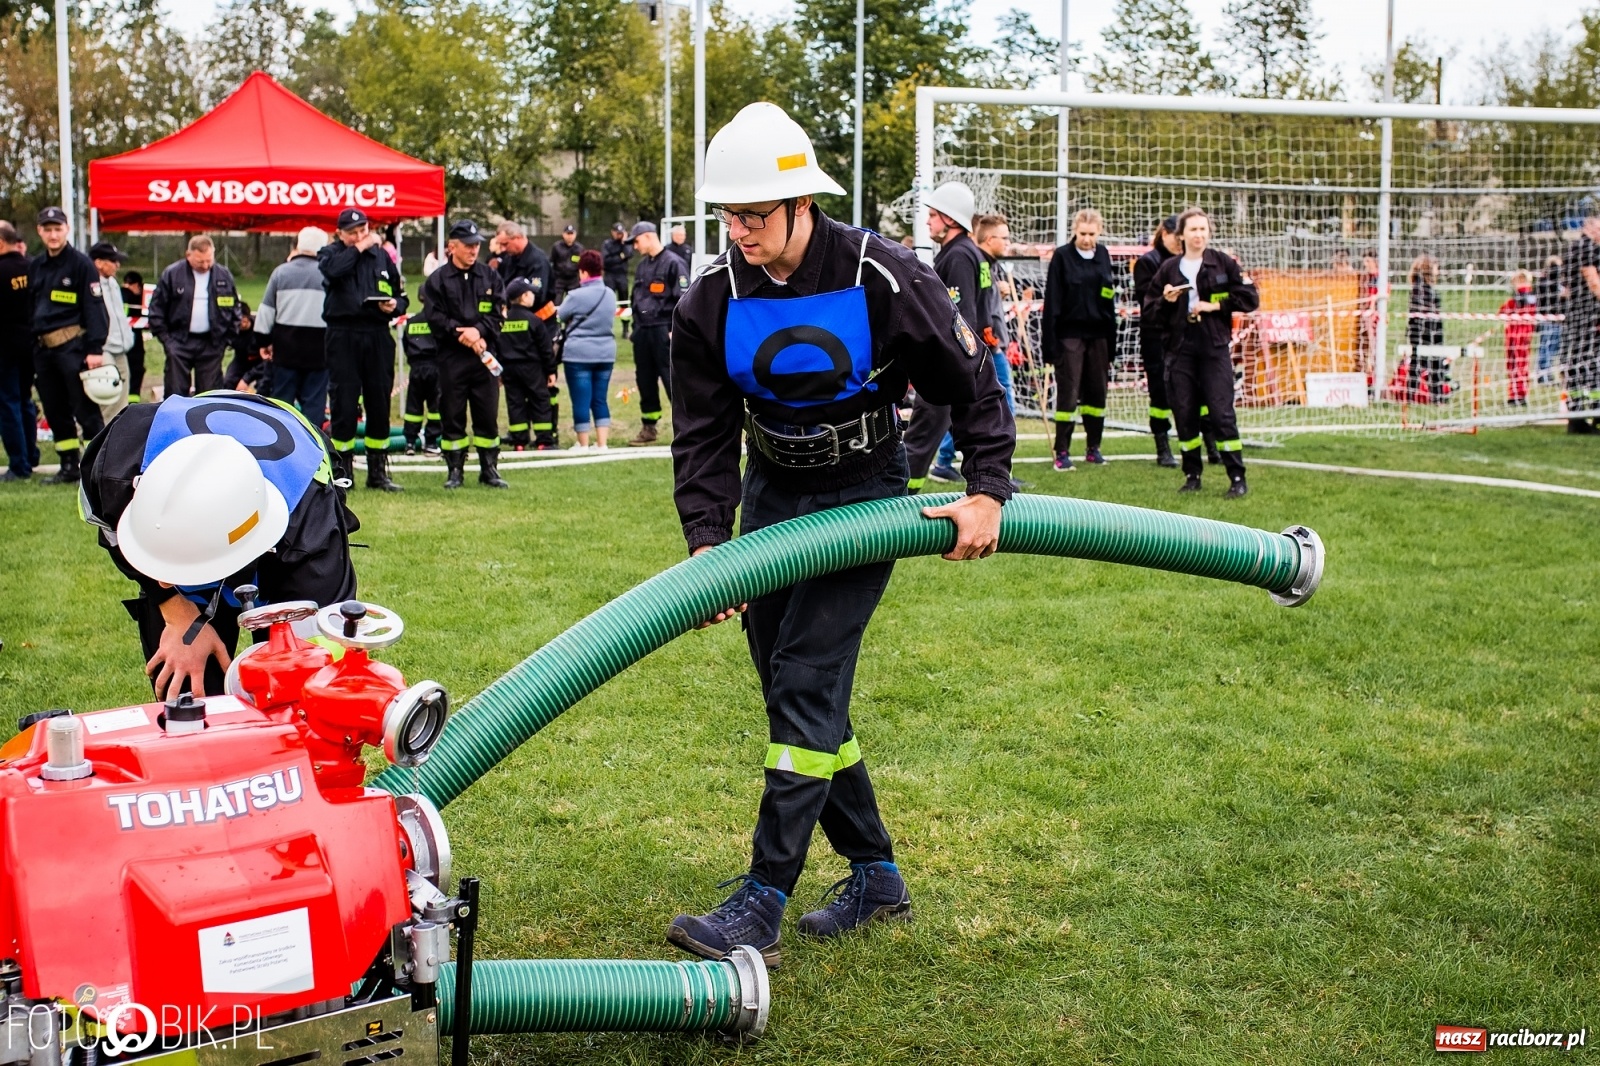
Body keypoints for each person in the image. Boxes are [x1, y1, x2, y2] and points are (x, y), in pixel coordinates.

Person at [665, 102, 1014, 964]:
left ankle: (763, 900)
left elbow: (970, 380)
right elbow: (702, 430)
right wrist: (710, 542)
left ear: (801, 204)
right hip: (771, 495)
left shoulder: (881, 274)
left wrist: (987, 490)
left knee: (807, 679)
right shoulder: (711, 297)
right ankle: (875, 873)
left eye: (755, 215)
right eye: (729, 216)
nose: (740, 231)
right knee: (796, 695)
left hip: (865, 494)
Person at [80, 391, 358, 699]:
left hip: (292, 500)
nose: (162, 578)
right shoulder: (114, 470)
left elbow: (326, 672)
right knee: (188, 698)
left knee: (298, 687)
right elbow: (114, 534)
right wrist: (175, 609)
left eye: (180, 564)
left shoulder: (312, 538)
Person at [1143, 208, 1258, 497]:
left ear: (1209, 233)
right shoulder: (1169, 269)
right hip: (1180, 350)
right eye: (1192, 230)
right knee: (1184, 413)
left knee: (1221, 413)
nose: (1198, 235)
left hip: (1214, 349)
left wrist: (1215, 306)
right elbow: (1149, 311)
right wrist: (1167, 301)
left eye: (1203, 229)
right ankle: (1192, 474)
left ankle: (1236, 476)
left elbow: (1250, 298)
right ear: (1181, 235)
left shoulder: (1223, 264)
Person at [903, 180, 987, 490]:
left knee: (922, 435)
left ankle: (902, 498)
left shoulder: (958, 256)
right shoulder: (966, 253)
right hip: (961, 362)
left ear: (950, 219)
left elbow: (956, 317)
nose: (927, 221)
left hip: (948, 364)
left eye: (933, 215)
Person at [319, 207, 408, 492]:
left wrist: (394, 305)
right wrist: (358, 247)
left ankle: (378, 472)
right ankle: (343, 472)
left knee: (379, 400)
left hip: (377, 333)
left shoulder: (381, 256)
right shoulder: (331, 253)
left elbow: (401, 295)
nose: (361, 236)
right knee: (344, 402)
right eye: (353, 233)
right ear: (340, 234)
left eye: (364, 231)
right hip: (344, 335)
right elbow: (334, 271)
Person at [928, 212, 1018, 485]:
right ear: (989, 239)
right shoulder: (969, 259)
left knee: (965, 407)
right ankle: (995, 470)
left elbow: (984, 300)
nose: (1007, 243)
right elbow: (971, 306)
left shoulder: (982, 262)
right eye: (1004, 238)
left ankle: (946, 460)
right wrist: (985, 335)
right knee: (998, 404)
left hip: (988, 340)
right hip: (984, 344)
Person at [420, 219, 508, 489]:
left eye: (476, 245)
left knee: (487, 414)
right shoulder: (437, 280)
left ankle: (489, 468)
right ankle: (455, 469)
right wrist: (461, 334)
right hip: (451, 358)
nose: (473, 250)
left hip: (482, 356)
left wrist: (479, 332)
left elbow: (498, 312)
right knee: (452, 413)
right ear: (452, 247)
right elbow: (434, 318)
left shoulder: (490, 276)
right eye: (468, 246)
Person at [28, 206, 108, 484]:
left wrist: (95, 349)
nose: (52, 234)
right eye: (47, 229)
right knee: (54, 408)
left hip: (73, 348)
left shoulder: (81, 264)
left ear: (67, 230)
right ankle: (68, 466)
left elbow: (94, 307)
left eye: (57, 229)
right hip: (44, 351)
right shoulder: (36, 266)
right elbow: (31, 308)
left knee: (84, 409)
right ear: (40, 231)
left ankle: (98, 466)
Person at [1041, 208, 1117, 470]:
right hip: (1069, 336)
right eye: (1082, 234)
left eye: (1092, 234)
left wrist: (1112, 343)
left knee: (1097, 393)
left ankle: (1093, 447)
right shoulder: (1062, 256)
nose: (1087, 239)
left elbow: (1109, 300)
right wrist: (1049, 346)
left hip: (1098, 336)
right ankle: (1062, 451)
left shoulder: (1104, 255)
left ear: (1100, 231)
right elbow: (1052, 302)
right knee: (1069, 395)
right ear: (1075, 231)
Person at [147, 235, 242, 399]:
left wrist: (225, 341)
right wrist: (167, 341)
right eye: (200, 262)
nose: (205, 265)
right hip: (178, 342)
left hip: (212, 344)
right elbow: (156, 310)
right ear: (188, 255)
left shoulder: (224, 276)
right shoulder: (172, 274)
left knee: (210, 396)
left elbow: (235, 310)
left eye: (209, 260)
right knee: (175, 394)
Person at [259, 228, 331, 428]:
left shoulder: (281, 272)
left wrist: (263, 342)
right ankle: (313, 450)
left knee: (282, 405)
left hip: (285, 351)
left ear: (298, 245)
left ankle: (280, 450)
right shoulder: (328, 274)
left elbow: (266, 312)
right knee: (314, 406)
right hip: (319, 351)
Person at [625, 220, 688, 445]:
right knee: (645, 380)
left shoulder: (674, 263)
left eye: (636, 240)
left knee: (672, 380)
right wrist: (635, 329)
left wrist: (673, 331)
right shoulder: (642, 266)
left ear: (650, 236)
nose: (634, 246)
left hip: (663, 330)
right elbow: (636, 299)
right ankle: (649, 428)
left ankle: (686, 429)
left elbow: (684, 301)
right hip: (643, 331)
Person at [557, 250, 617, 451]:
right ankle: (602, 443)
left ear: (582, 272)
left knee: (581, 399)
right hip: (606, 353)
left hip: (578, 353)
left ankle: (582, 444)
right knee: (600, 398)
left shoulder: (574, 295)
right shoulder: (610, 294)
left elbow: (561, 316)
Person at [0, 220, 40, 481]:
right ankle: (31, 455)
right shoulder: (33, 267)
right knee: (25, 401)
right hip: (32, 345)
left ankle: (19, 464)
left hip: (4, 348)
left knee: (8, 403)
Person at [501, 277, 559, 449]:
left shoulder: (503, 321)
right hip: (532, 368)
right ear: (524, 297)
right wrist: (551, 371)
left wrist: (499, 372)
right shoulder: (534, 320)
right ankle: (543, 440)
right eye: (531, 293)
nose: (534, 297)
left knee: (515, 403)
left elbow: (497, 346)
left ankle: (519, 441)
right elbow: (545, 349)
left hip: (509, 369)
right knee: (540, 401)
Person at [89, 241, 136, 421]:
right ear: (99, 263)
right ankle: (103, 438)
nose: (117, 265)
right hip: (103, 349)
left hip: (120, 348)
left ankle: (118, 434)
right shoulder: (91, 284)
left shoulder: (113, 283)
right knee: (107, 395)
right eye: (113, 261)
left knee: (122, 398)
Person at [1563, 214, 1600, 432]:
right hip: (1588, 316)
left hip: (1578, 315)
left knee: (1580, 364)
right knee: (1591, 364)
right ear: (1591, 226)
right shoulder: (1587, 248)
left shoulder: (1575, 248)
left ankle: (1579, 415)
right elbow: (1593, 282)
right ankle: (1589, 414)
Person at [400, 304, 443, 455]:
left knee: (413, 406)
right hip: (435, 366)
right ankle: (431, 441)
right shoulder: (438, 320)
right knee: (436, 406)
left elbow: (405, 343)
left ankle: (410, 442)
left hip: (416, 368)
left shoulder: (412, 321)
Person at [1405, 254, 1446, 404]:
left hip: (1427, 330)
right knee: (1427, 364)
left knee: (1423, 364)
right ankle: (1434, 397)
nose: (1438, 270)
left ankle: (1432, 397)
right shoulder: (1421, 288)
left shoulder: (1423, 286)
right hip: (1426, 332)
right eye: (1436, 267)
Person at [489, 221, 554, 316]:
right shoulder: (508, 259)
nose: (502, 249)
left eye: (505, 244)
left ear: (518, 238)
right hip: (515, 317)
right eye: (500, 245)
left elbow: (537, 295)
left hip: (540, 320)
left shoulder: (538, 261)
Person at [1500, 271, 1538, 406]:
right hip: (1514, 334)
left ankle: (1519, 394)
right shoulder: (1518, 298)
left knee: (1519, 365)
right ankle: (1515, 393)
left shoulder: (1527, 295)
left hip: (1520, 335)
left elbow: (1505, 309)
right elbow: (1503, 311)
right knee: (1514, 365)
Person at [223, 301, 268, 393]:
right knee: (228, 381)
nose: (240, 322)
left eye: (243, 318)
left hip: (261, 362)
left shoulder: (260, 328)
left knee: (264, 385)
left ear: (248, 316)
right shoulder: (232, 331)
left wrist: (246, 379)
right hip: (241, 359)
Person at [1534, 253, 1565, 385]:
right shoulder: (1545, 282)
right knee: (1546, 348)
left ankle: (1548, 373)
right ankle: (1543, 375)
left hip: (1557, 319)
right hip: (1547, 319)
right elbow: (1550, 297)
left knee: (1553, 348)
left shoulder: (1558, 282)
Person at [601, 222, 633, 339]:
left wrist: (624, 244)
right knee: (608, 301)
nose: (619, 235)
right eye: (617, 233)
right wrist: (620, 256)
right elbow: (605, 261)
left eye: (621, 233)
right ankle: (607, 328)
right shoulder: (607, 244)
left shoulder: (626, 243)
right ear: (612, 232)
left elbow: (629, 253)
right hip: (610, 275)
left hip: (622, 276)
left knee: (624, 301)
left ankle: (625, 329)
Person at [121, 270, 147, 402]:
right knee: (136, 370)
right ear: (136, 285)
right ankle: (132, 401)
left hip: (118, 340)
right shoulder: (135, 297)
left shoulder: (116, 293)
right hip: (134, 341)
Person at [550, 224, 585, 305]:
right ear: (563, 234)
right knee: (556, 303)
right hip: (559, 280)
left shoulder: (580, 248)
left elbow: (582, 265)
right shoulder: (556, 247)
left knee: (574, 304)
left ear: (575, 235)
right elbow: (552, 262)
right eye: (568, 234)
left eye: (572, 234)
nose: (570, 236)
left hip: (574, 280)